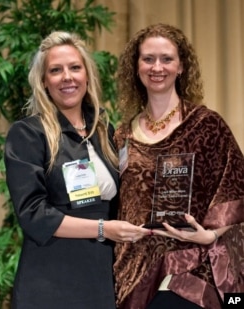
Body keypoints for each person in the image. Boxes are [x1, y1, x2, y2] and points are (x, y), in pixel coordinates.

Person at [4, 31, 150, 309]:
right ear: (44, 82)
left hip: (103, 276)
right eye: (55, 70)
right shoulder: (27, 134)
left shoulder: (105, 131)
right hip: (51, 280)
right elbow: (33, 214)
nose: (67, 77)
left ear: (87, 76)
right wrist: (102, 228)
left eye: (74, 67)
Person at [113, 23, 244, 309]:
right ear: (136, 67)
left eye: (166, 59)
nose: (156, 67)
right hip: (133, 265)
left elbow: (234, 186)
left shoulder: (206, 124)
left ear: (182, 66)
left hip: (193, 261)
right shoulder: (122, 134)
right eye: (148, 59)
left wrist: (210, 235)